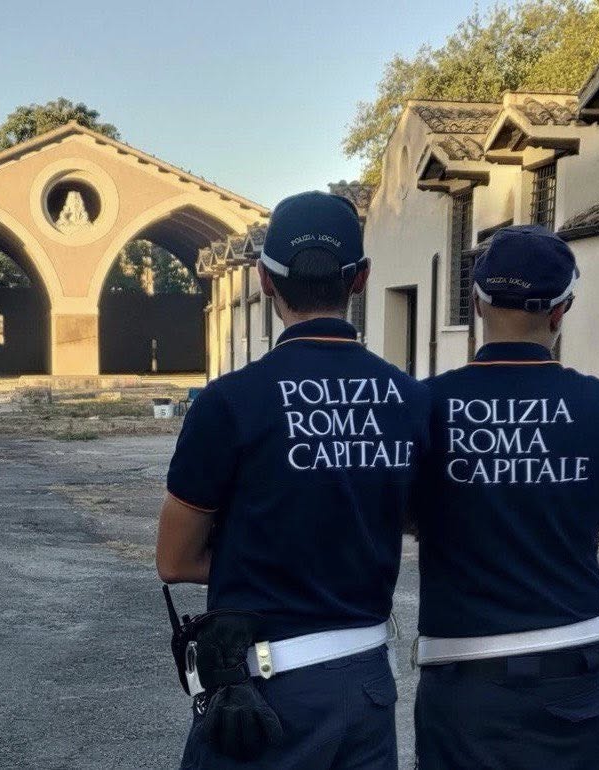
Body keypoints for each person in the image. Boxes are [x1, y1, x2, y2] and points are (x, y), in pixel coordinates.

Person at [156, 191, 431, 770]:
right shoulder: (410, 400)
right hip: (365, 686)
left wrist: (274, 558)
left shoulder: (228, 403)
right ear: (360, 280)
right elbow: (411, 521)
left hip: (264, 691)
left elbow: (175, 560)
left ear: (262, 280)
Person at [413, 225, 599, 769]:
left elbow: (408, 516)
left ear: (475, 301)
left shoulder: (426, 405)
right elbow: (595, 524)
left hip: (465, 678)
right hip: (577, 667)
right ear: (562, 310)